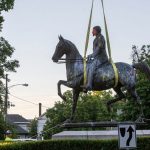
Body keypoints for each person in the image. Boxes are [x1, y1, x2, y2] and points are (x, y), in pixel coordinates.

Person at [83, 26, 109, 91]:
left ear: (97, 31)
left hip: (102, 58)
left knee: (91, 66)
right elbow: (95, 51)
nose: (92, 32)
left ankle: (89, 85)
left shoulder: (101, 38)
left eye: (93, 30)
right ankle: (86, 82)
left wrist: (92, 55)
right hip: (97, 58)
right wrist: (91, 56)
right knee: (87, 65)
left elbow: (98, 49)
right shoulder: (95, 39)